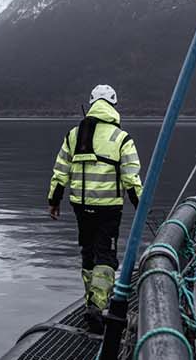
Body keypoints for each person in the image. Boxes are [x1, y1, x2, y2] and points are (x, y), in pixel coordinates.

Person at [47, 84, 144, 321]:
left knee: (88, 252)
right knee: (106, 256)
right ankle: (98, 304)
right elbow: (131, 178)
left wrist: (54, 200)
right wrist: (141, 206)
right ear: (114, 105)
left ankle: (91, 299)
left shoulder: (73, 135)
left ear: (91, 104)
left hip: (80, 206)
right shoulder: (121, 138)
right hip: (108, 207)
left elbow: (60, 171)